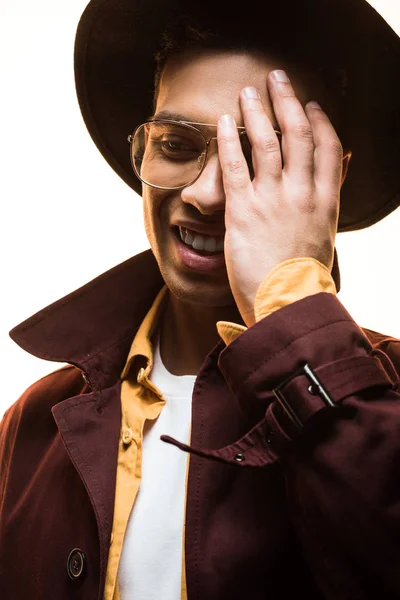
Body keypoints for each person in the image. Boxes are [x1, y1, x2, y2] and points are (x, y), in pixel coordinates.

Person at [1, 0, 400, 598]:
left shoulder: (389, 391)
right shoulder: (36, 421)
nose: (208, 196)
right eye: (179, 145)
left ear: (327, 180)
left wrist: (292, 301)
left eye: (261, 155)